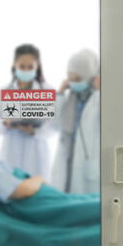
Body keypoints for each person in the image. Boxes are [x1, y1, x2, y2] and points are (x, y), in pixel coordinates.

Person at [0, 117, 101, 246]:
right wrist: (38, 180)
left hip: (44, 203)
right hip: (38, 206)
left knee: (91, 204)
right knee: (94, 207)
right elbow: (21, 191)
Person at [0, 44, 53, 181]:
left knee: (38, 193)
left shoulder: (46, 91)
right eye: (22, 67)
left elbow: (53, 127)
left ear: (37, 66)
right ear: (14, 65)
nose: (25, 71)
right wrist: (5, 123)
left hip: (37, 151)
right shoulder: (3, 92)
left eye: (30, 67)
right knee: (13, 189)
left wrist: (34, 132)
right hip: (12, 149)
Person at [52, 50, 100, 193]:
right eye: (70, 78)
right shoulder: (69, 99)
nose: (73, 83)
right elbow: (53, 124)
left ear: (90, 77)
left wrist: (99, 93)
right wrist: (59, 93)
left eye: (78, 79)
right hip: (68, 157)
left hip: (87, 162)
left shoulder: (98, 99)